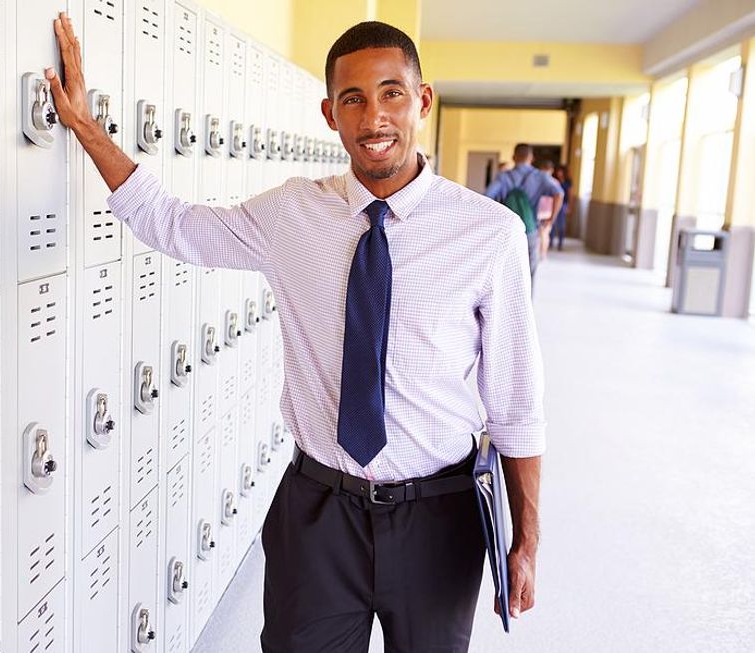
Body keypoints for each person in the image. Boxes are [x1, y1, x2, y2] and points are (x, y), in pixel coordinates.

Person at [47, 14, 544, 652]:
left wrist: (527, 539)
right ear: (330, 114)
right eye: (353, 99)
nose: (375, 118)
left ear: (422, 101)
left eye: (392, 93)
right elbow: (176, 227)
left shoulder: (489, 233)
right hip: (318, 512)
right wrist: (88, 127)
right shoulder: (292, 214)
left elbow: (516, 402)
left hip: (439, 517)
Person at [485, 144, 563, 290]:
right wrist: (551, 219)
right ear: (531, 158)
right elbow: (559, 193)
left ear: (514, 157)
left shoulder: (504, 177)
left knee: (504, 272)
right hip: (530, 230)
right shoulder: (541, 177)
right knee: (530, 272)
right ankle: (526, 308)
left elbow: (487, 196)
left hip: (507, 233)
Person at [551, 164, 573, 251]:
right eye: (558, 171)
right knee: (552, 222)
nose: (559, 173)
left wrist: (570, 207)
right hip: (554, 203)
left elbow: (570, 195)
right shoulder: (554, 180)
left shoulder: (568, 182)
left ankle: (560, 243)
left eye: (561, 171)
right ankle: (550, 242)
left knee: (561, 224)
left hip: (564, 204)